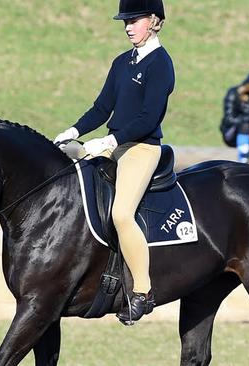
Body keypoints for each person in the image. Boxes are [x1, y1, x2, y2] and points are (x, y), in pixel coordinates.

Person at [53, 0, 173, 324]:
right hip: (112, 145)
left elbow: (149, 117)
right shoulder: (122, 62)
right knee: (60, 163)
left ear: (154, 20)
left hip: (141, 148)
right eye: (125, 21)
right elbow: (101, 107)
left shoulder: (161, 64)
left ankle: (142, 292)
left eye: (134, 20)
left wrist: (110, 141)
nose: (128, 26)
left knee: (121, 214)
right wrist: (72, 131)